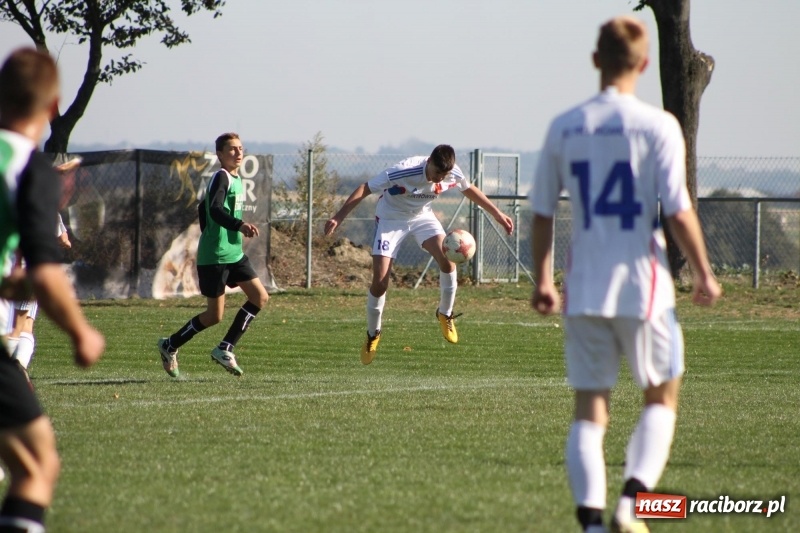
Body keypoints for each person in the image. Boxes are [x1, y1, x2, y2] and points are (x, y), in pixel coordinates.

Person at [529, 17, 722, 533]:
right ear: (643, 63)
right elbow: (679, 210)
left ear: (596, 60)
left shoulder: (565, 126)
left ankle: (591, 523)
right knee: (662, 393)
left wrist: (543, 281)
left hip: (585, 286)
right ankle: (631, 503)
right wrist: (704, 271)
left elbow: (543, 212)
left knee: (590, 411)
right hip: (645, 286)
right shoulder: (659, 125)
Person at [0, 47, 105, 532]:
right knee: (38, 464)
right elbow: (46, 273)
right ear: (51, 106)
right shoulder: (27, 167)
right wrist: (82, 332)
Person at [324, 144, 514, 364]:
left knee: (447, 261)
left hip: (422, 217)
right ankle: (373, 334)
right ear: (429, 162)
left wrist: (497, 214)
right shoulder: (403, 171)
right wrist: (339, 217)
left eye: (442, 177)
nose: (437, 180)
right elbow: (364, 188)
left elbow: (468, 188)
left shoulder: (451, 173)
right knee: (380, 282)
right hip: (391, 219)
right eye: (435, 174)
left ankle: (445, 313)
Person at [157, 132, 268, 377]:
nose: (238, 153)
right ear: (219, 155)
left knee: (259, 297)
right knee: (213, 316)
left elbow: (202, 208)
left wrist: (220, 233)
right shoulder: (222, 177)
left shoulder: (236, 179)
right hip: (216, 256)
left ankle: (225, 348)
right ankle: (170, 345)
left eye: (240, 148)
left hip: (233, 253)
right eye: (231, 149)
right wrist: (237, 227)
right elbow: (215, 209)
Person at [7, 162, 75, 382]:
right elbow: (64, 240)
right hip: (26, 272)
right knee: (23, 325)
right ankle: (17, 366)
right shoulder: (42, 207)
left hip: (5, 271)